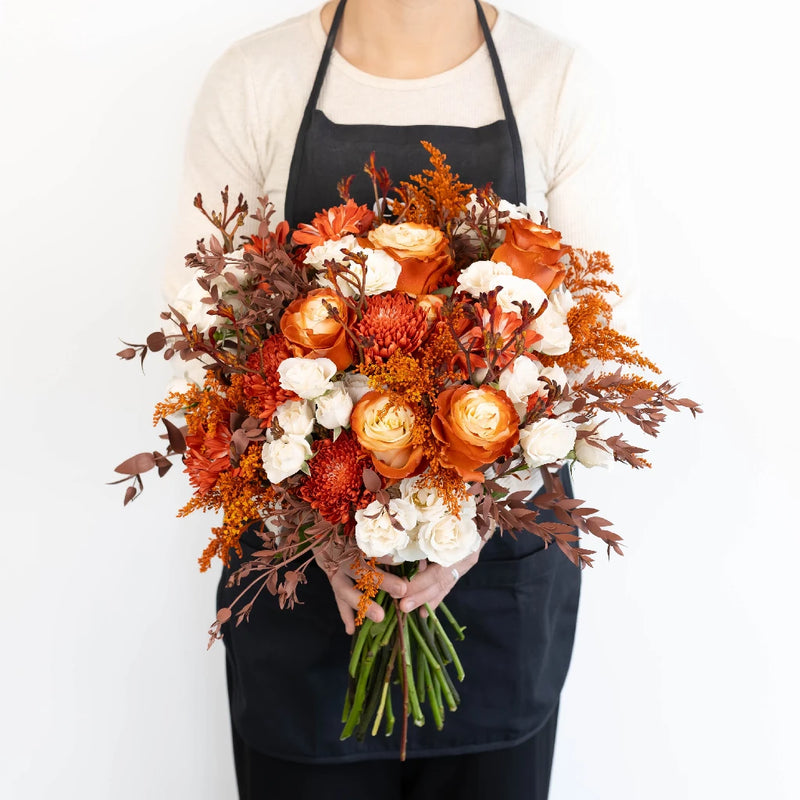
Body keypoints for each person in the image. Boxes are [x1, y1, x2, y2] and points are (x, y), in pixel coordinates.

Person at [166, 1, 637, 797]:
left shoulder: (556, 82)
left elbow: (590, 342)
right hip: (301, 585)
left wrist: (467, 524)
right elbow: (203, 339)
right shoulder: (255, 79)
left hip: (497, 596)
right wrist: (318, 523)